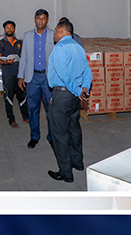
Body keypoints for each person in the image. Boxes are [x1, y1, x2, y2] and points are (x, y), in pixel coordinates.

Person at [47, 19, 92, 183]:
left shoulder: (60, 48)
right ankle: (78, 162)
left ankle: (66, 172)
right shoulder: (78, 47)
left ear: (61, 30)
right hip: (75, 97)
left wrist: (78, 90)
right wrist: (84, 89)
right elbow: (88, 71)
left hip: (63, 95)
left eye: (55, 31)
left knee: (59, 134)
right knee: (74, 128)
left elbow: (64, 75)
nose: (53, 34)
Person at [18, 9, 54, 149]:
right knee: (33, 109)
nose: (41, 21)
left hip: (48, 78)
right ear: (34, 20)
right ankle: (34, 136)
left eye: (43, 18)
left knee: (50, 109)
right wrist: (21, 76)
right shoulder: (27, 36)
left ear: (47, 20)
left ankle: (52, 137)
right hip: (31, 78)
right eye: (38, 18)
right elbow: (24, 58)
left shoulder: (53, 36)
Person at [0, 20, 30, 128]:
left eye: (11, 27)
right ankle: (11, 119)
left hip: (20, 75)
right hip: (8, 75)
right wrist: (6, 62)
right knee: (8, 97)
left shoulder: (20, 42)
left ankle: (25, 116)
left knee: (22, 96)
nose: (9, 29)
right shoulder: (1, 43)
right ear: (4, 30)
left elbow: (25, 57)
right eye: (7, 27)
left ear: (14, 29)